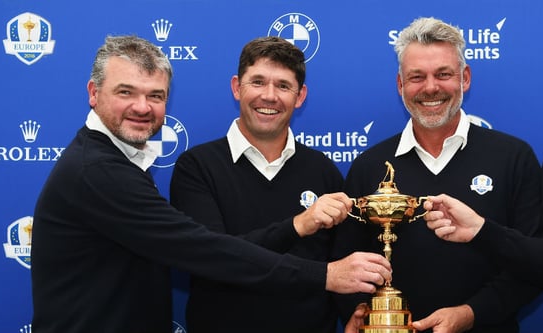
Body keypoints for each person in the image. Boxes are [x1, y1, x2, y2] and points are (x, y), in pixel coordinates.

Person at [30, 35, 392, 333]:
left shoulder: (113, 162)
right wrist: (323, 272)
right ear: (94, 93)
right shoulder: (99, 171)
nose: (143, 107)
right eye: (126, 92)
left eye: (156, 95)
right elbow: (205, 250)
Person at [332, 17, 543, 333]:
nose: (430, 87)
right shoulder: (370, 165)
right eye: (416, 77)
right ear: (400, 85)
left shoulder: (513, 157)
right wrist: (357, 310)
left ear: (465, 78)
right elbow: (345, 259)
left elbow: (535, 263)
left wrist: (471, 313)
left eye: (443, 75)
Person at [169, 36, 347, 333]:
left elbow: (342, 268)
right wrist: (298, 226)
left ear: (300, 96)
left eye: (283, 85)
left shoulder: (323, 171)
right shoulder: (197, 167)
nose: (269, 96)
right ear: (237, 87)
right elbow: (214, 259)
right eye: (258, 82)